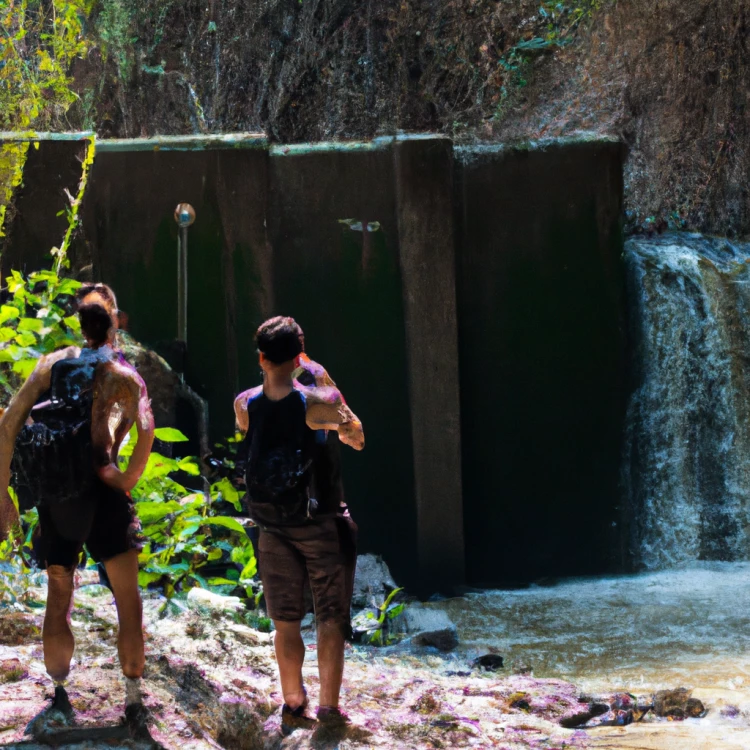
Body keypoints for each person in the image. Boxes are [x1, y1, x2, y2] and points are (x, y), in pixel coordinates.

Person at [0, 283, 154, 730]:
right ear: (113, 325)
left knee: (58, 596)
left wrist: (5, 500)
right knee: (128, 601)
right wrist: (124, 478)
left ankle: (60, 695)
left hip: (59, 494)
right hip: (103, 491)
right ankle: (131, 702)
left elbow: (8, 424)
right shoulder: (122, 372)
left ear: (79, 325)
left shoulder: (52, 363)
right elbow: (146, 428)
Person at [234, 316, 364, 731]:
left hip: (271, 525)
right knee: (329, 617)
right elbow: (356, 437)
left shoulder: (244, 402)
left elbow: (248, 430)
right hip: (319, 522)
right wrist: (324, 378)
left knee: (285, 621)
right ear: (298, 356)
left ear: (261, 357)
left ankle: (293, 702)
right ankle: (327, 708)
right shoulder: (314, 404)